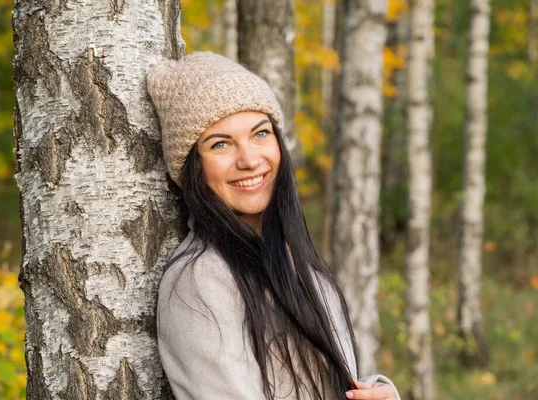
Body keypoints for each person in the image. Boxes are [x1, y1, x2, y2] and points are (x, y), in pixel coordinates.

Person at [147, 52, 400, 400]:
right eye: (221, 144)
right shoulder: (200, 283)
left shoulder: (295, 262)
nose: (250, 160)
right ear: (193, 166)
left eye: (260, 134)